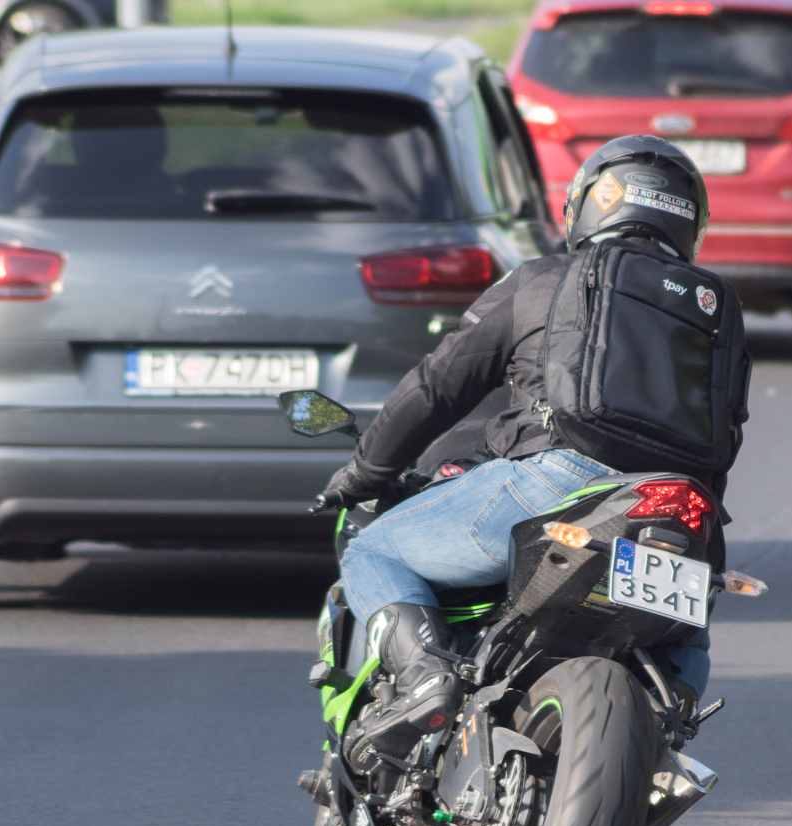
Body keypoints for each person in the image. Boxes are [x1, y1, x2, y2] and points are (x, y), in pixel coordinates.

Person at [318, 135, 752, 752]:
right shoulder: (718, 307)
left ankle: (424, 681)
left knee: (373, 553)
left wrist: (362, 474)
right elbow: (722, 438)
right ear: (688, 224)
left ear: (585, 207)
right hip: (677, 507)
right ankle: (660, 736)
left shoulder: (544, 279)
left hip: (560, 481)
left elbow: (437, 387)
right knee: (686, 634)